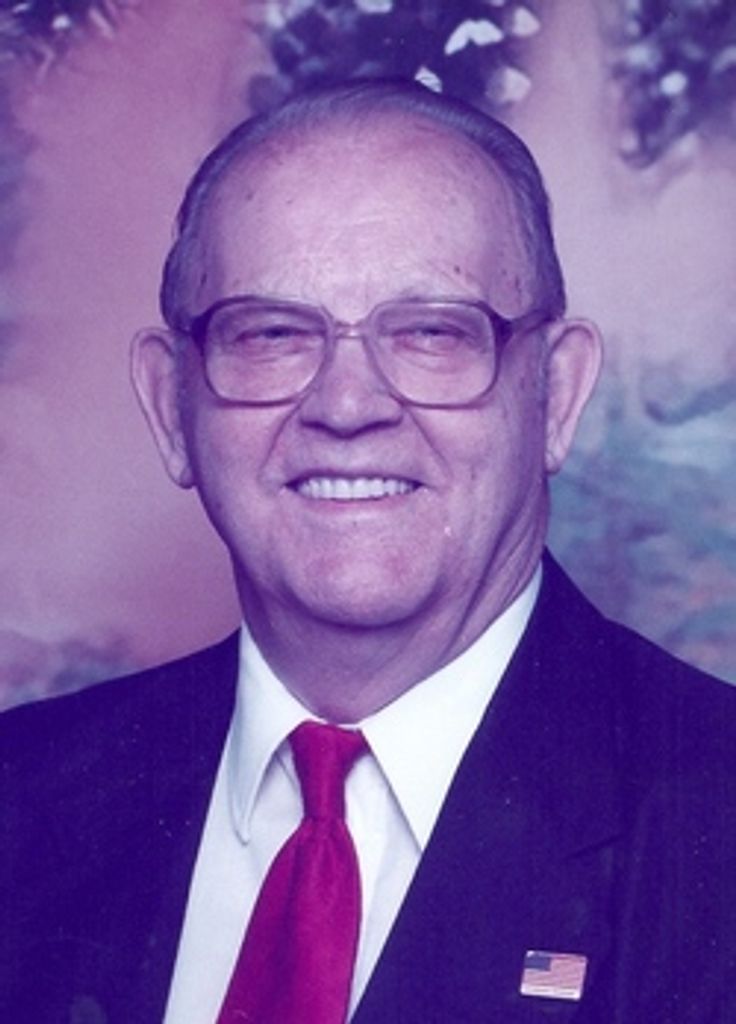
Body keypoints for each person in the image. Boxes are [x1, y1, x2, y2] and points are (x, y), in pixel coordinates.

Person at [1, 78, 735, 1024]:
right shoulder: (24, 798)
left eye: (431, 333)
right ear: (170, 407)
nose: (347, 406)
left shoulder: (713, 827)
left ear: (555, 396)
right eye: (271, 333)